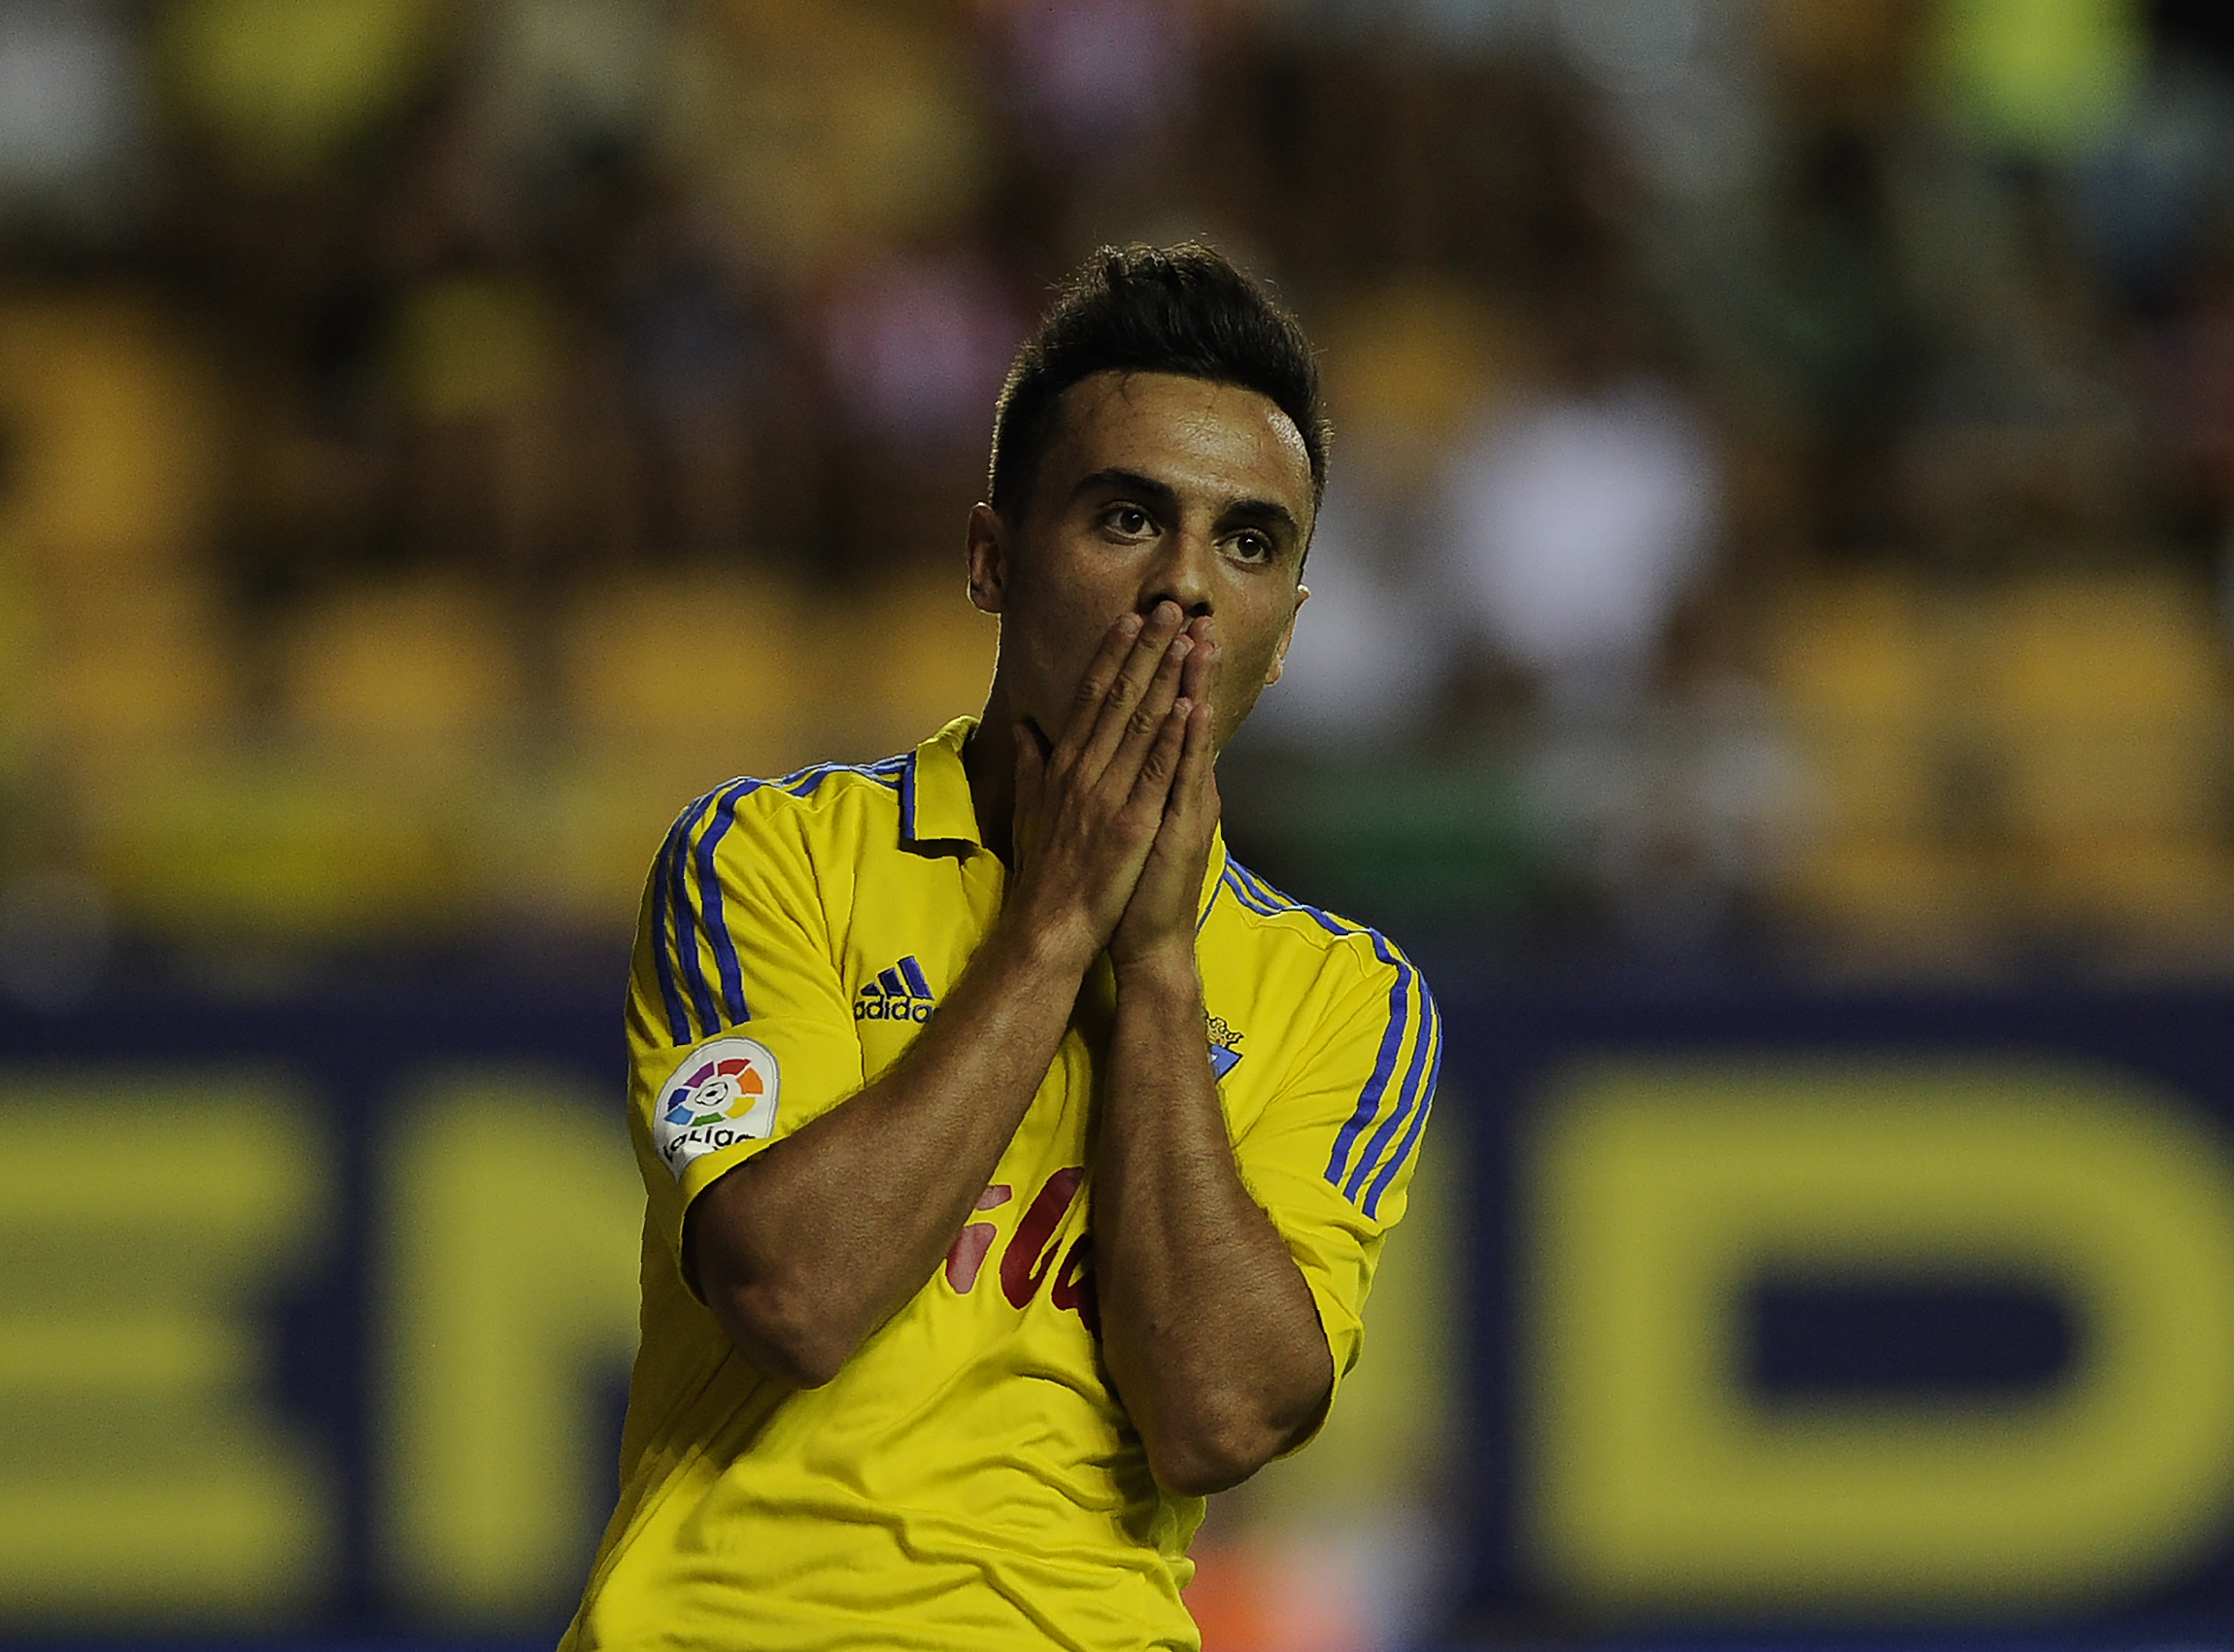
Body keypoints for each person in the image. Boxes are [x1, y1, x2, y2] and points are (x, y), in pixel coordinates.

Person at [561, 244, 1440, 1652]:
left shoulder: (1351, 998)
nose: (1187, 589)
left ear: (1287, 633)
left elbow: (1217, 1414)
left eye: (1250, 542)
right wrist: (1056, 924)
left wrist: (1155, 964)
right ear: (991, 559)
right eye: (1126, 517)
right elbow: (792, 1293)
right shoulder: (770, 859)